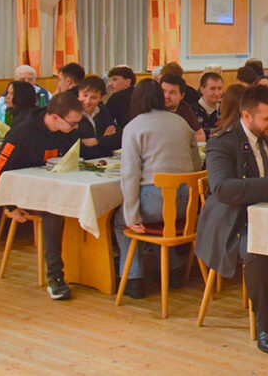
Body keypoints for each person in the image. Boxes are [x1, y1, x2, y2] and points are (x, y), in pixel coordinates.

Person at [195, 85, 268, 354]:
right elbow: (222, 188)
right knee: (258, 248)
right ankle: (265, 323)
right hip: (235, 219)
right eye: (267, 119)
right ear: (246, 116)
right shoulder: (221, 142)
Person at [0, 92, 83, 300]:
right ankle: (55, 277)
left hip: (55, 186)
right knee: (53, 210)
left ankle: (90, 267)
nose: (76, 127)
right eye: (73, 123)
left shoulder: (66, 130)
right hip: (23, 193)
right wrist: (10, 206)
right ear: (55, 117)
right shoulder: (22, 133)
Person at [113, 80, 201, 299]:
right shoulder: (181, 123)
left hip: (155, 201)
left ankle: (133, 278)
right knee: (164, 223)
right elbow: (196, 164)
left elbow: (130, 174)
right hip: (186, 204)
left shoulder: (134, 127)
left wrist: (132, 215)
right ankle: (173, 269)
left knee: (122, 220)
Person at [75, 77, 121, 159]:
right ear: (79, 93)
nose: (87, 101)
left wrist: (98, 141)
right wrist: (107, 145)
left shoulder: (103, 112)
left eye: (93, 97)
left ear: (101, 98)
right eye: (85, 95)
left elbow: (119, 139)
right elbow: (79, 149)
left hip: (103, 162)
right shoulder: (72, 115)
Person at [160, 74, 206, 142]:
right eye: (163, 91)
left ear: (182, 96)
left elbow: (200, 135)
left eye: (172, 92)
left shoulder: (185, 108)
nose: (166, 96)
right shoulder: (153, 109)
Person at [192, 72, 223, 139]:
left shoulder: (225, 110)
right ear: (202, 90)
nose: (217, 93)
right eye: (212, 89)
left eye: (220, 88)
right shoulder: (191, 111)